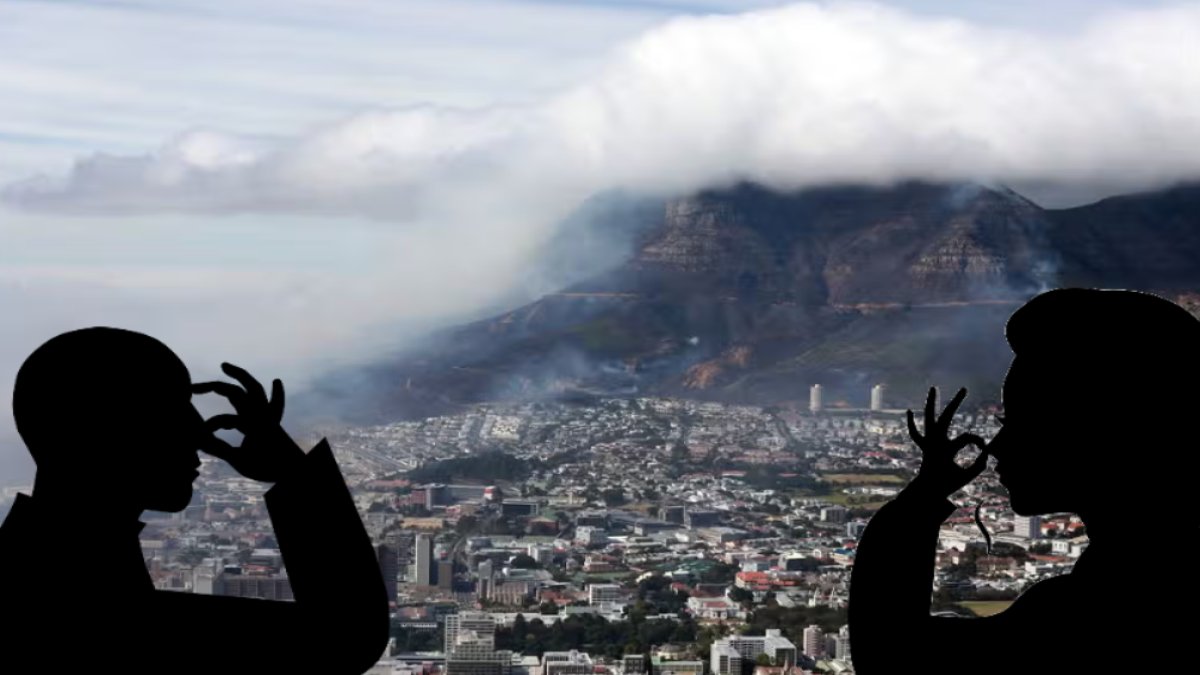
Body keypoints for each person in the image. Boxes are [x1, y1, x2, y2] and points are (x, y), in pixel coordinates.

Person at [848, 287, 1200, 674]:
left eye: (1024, 425)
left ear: (1107, 433)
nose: (997, 445)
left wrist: (921, 498)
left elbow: (893, 653)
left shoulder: (1096, 612)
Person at [0, 327, 389, 674]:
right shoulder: (93, 612)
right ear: (97, 432)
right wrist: (290, 469)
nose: (201, 434)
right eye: (171, 412)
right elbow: (346, 638)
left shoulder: (38, 579)